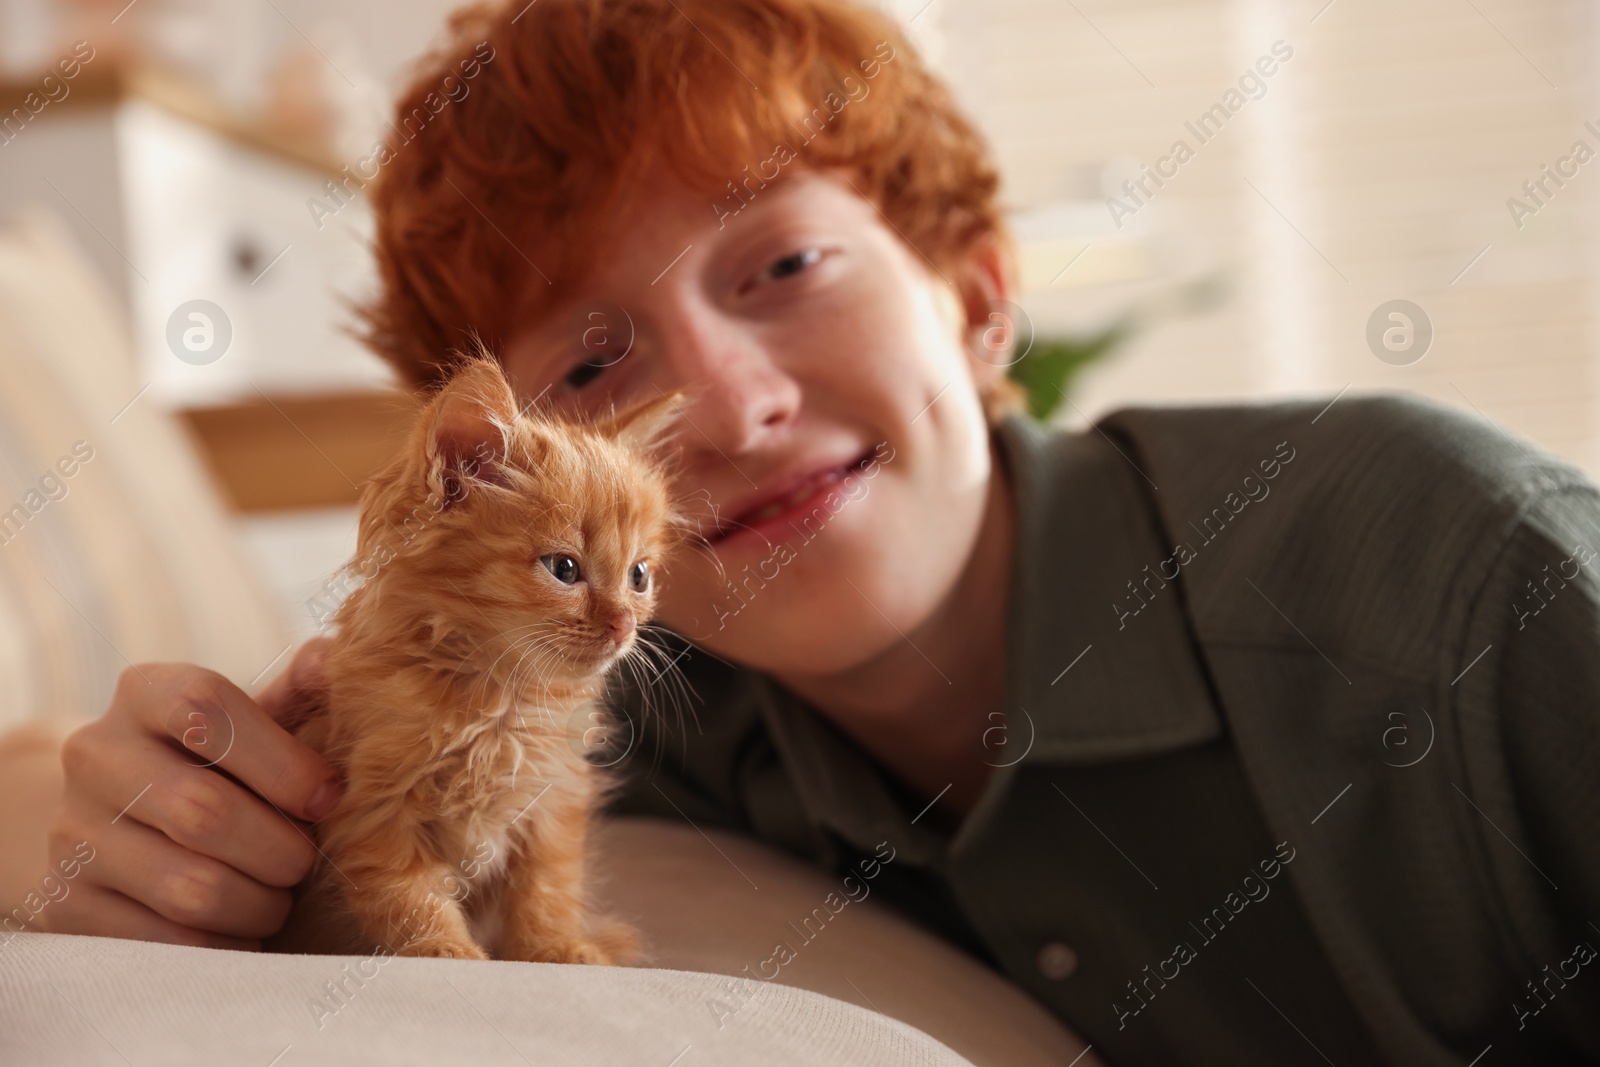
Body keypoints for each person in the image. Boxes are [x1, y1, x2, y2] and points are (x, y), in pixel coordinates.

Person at [7, 0, 1599, 1063]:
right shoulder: (669, 734)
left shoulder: (1453, 582)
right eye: (595, 363)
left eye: (780, 269)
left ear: (980, 299)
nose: (726, 408)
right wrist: (65, 809)